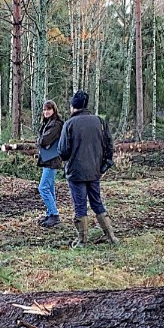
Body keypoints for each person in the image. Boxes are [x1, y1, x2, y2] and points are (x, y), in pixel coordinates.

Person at [57, 90, 119, 246]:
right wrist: (104, 165)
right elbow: (109, 146)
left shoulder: (69, 124)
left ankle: (82, 240)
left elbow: (63, 152)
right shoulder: (99, 121)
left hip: (76, 172)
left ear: (73, 106)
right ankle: (111, 236)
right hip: (94, 170)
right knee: (97, 202)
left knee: (80, 205)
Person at [35, 100, 64, 227]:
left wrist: (40, 141)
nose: (46, 112)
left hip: (52, 159)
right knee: (50, 188)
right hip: (48, 159)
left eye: (49, 109)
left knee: (43, 188)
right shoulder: (49, 123)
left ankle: (54, 214)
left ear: (54, 110)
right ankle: (50, 215)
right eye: (45, 109)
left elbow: (44, 139)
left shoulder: (56, 124)